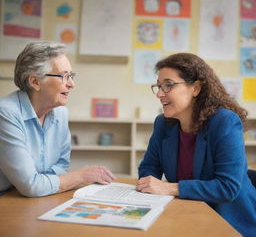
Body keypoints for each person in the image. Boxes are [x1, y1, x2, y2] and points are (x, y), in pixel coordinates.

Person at [136, 53, 256, 236]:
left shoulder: (224, 122)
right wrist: (148, 185)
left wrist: (169, 188)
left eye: (168, 85)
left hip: (229, 223)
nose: (160, 94)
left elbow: (227, 187)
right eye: (158, 86)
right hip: (186, 212)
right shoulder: (163, 124)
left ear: (196, 88)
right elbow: (149, 168)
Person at [0, 41, 116, 197]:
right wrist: (81, 176)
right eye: (63, 76)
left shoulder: (61, 113)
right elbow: (31, 185)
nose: (71, 84)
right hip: (7, 198)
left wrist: (44, 183)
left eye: (71, 76)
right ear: (35, 81)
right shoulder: (6, 113)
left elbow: (61, 166)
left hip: (33, 197)